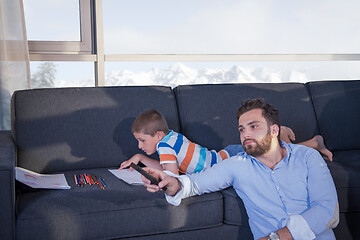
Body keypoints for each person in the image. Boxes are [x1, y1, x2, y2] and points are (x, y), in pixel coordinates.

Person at [142, 98, 339, 240]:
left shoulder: (308, 157)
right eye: (242, 129)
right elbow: (192, 184)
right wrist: (169, 182)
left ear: (274, 130)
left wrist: (276, 238)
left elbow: (327, 211)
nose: (245, 134)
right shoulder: (237, 165)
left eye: (253, 126)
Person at [120, 108, 333, 175]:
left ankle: (311, 142)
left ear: (157, 136)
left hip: (229, 160)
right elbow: (171, 166)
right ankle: (284, 136)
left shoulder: (164, 146)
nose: (140, 145)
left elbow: (171, 175)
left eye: (141, 141)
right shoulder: (170, 136)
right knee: (272, 152)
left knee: (277, 155)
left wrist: (148, 171)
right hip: (225, 154)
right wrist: (139, 158)